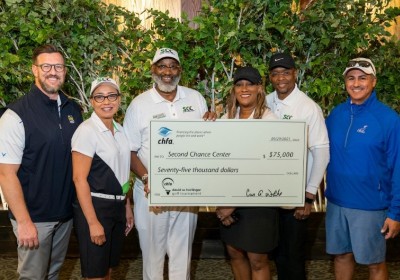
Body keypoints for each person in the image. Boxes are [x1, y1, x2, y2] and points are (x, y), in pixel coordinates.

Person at [123, 47, 215, 280]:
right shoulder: (139, 104)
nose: (168, 72)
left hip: (187, 193)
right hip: (151, 193)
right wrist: (146, 178)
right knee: (153, 260)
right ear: (153, 70)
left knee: (181, 258)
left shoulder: (195, 98)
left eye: (173, 66)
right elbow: (130, 151)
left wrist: (213, 123)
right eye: (162, 66)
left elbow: (207, 140)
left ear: (180, 70)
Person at [0, 44, 83, 279]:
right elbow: (6, 174)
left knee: (53, 274)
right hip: (34, 219)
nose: (53, 71)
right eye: (46, 66)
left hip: (64, 216)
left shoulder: (73, 110)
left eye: (58, 66)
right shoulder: (15, 115)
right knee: (32, 277)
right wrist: (24, 222)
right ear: (34, 70)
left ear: (65, 71)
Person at [325, 57, 400, 280]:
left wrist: (396, 212)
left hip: (370, 206)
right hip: (336, 203)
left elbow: (398, 167)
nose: (356, 83)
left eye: (362, 78)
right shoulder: (335, 115)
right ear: (345, 82)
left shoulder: (389, 119)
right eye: (351, 78)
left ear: (373, 82)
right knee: (341, 257)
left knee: (375, 264)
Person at [266, 52, 330, 280]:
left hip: (295, 198)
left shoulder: (308, 107)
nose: (281, 78)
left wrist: (308, 196)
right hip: (268, 196)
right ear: (270, 77)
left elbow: (321, 153)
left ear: (295, 73)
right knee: (274, 255)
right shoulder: (265, 101)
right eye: (275, 74)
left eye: (285, 72)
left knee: (292, 259)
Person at [216, 66, 279, 280]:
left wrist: (231, 204)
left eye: (250, 84)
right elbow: (218, 163)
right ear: (234, 90)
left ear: (259, 89)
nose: (244, 88)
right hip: (229, 199)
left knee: (257, 259)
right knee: (234, 253)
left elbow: (264, 167)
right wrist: (221, 201)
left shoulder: (269, 120)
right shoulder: (225, 119)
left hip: (258, 201)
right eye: (239, 84)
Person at [71, 77, 134, 279]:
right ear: (91, 101)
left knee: (108, 269)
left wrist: (127, 206)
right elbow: (79, 179)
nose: (106, 102)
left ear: (119, 99)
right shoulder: (86, 131)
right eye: (100, 97)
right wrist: (92, 222)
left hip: (117, 207)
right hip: (96, 208)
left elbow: (121, 171)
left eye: (111, 96)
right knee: (95, 273)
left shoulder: (120, 129)